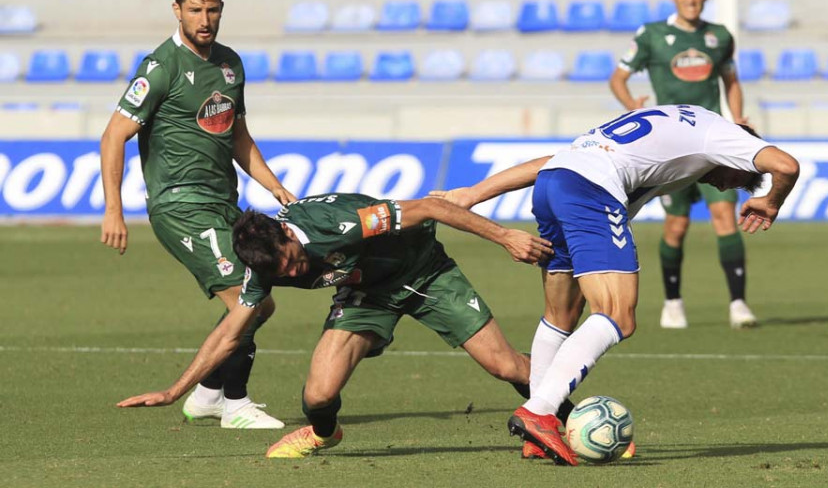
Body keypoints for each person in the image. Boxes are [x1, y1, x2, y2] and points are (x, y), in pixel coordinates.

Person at [431, 104, 800, 465]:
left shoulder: (683, 120)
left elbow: (552, 161)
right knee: (617, 315)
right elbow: (786, 165)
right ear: (739, 156)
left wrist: (472, 194)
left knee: (561, 314)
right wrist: (770, 200)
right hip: (590, 193)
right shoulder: (722, 136)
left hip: (554, 183)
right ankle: (538, 413)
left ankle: (542, 431)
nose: (726, 186)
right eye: (740, 178)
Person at [117, 193, 574, 459]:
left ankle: (568, 423)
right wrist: (174, 391)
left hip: (422, 273)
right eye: (283, 273)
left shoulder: (336, 227)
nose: (294, 274)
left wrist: (507, 237)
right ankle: (323, 433)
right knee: (318, 395)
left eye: (294, 263)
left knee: (506, 366)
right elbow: (230, 332)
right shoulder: (262, 266)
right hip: (364, 296)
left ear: (290, 237)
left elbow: (432, 207)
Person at [100, 0, 296, 429]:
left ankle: (207, 393)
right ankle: (235, 404)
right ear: (177, 11)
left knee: (256, 302)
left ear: (221, 10)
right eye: (194, 10)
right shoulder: (162, 65)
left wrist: (273, 185)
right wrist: (114, 209)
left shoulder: (230, 63)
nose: (204, 19)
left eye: (211, 10)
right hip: (180, 205)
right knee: (248, 302)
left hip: (223, 201)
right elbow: (113, 136)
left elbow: (239, 136)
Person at [609, 0, 755, 330]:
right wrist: (633, 107)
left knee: (726, 218)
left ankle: (738, 304)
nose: (691, 0)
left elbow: (731, 81)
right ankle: (673, 303)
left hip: (714, 144)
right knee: (676, 226)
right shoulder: (652, 35)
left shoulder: (719, 37)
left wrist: (737, 118)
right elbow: (618, 77)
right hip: (671, 147)